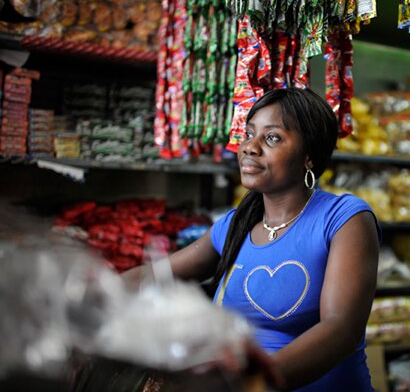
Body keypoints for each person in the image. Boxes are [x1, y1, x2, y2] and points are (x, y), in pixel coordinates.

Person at [128, 87, 381, 391]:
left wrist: (247, 382)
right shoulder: (236, 224)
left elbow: (341, 329)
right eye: (249, 134)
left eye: (272, 137)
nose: (250, 147)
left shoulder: (344, 218)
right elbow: (155, 275)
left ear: (309, 156)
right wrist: (88, 299)